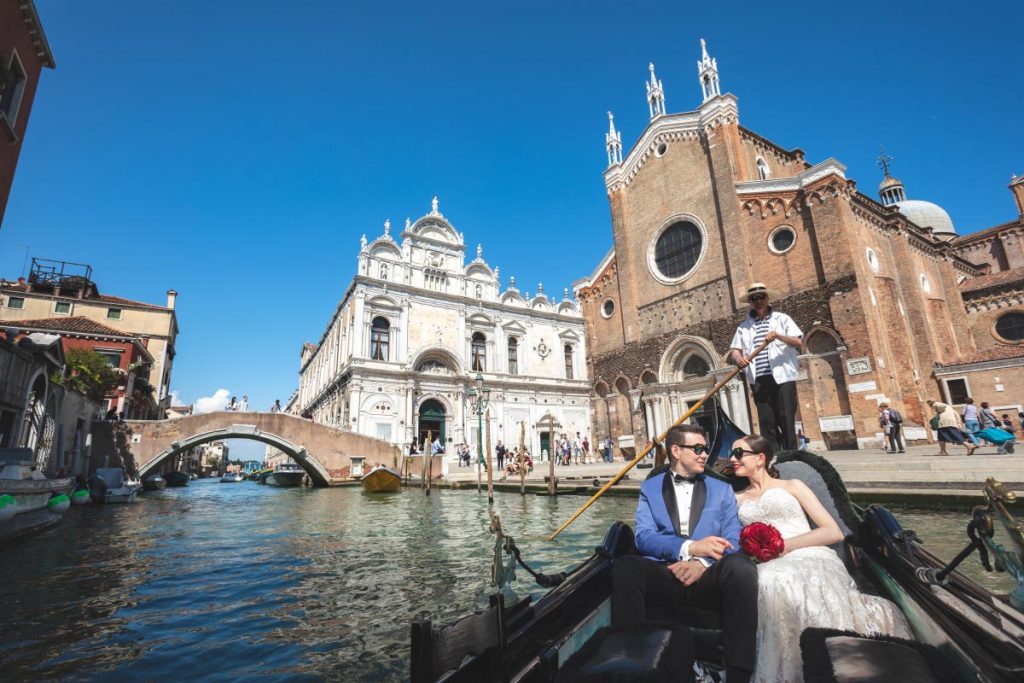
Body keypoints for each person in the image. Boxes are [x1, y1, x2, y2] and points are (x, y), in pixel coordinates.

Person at [730, 435, 912, 682]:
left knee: (778, 578)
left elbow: (832, 531)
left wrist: (786, 546)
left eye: (738, 454)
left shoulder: (792, 486)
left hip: (808, 552)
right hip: (766, 562)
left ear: (760, 458)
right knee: (766, 578)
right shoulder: (735, 498)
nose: (732, 459)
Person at [611, 425, 757, 683]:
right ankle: (632, 669)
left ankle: (739, 674)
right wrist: (689, 548)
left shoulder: (721, 489)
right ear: (676, 451)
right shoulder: (651, 488)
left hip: (708, 578)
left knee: (741, 565)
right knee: (626, 566)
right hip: (667, 573)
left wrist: (702, 561)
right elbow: (644, 537)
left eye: (705, 449)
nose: (704, 455)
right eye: (698, 449)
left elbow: (734, 537)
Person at [729, 282, 804, 451]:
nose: (758, 300)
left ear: (767, 298)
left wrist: (779, 336)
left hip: (783, 377)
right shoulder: (743, 327)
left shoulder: (782, 319)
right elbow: (735, 349)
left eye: (761, 296)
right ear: (750, 301)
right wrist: (739, 358)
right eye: (754, 298)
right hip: (758, 380)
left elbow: (798, 342)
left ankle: (791, 455)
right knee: (766, 421)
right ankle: (774, 457)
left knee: (786, 418)